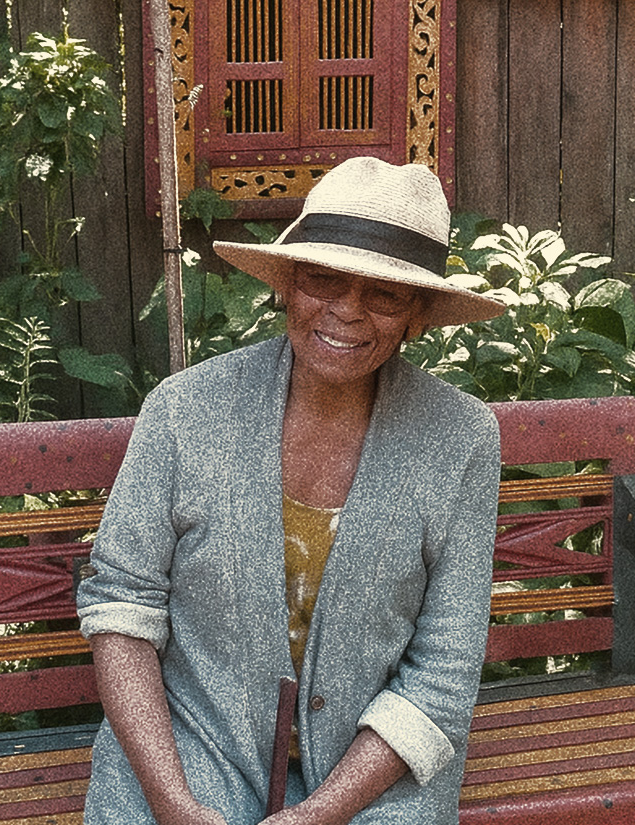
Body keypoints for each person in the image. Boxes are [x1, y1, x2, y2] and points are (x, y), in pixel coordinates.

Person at [76, 156, 505, 825]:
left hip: (372, 770)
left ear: (418, 314)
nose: (345, 311)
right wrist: (170, 799)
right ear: (287, 285)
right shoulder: (186, 410)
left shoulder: (460, 438)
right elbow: (122, 607)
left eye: (384, 294)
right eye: (322, 279)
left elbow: (441, 675)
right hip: (194, 745)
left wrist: (320, 813)